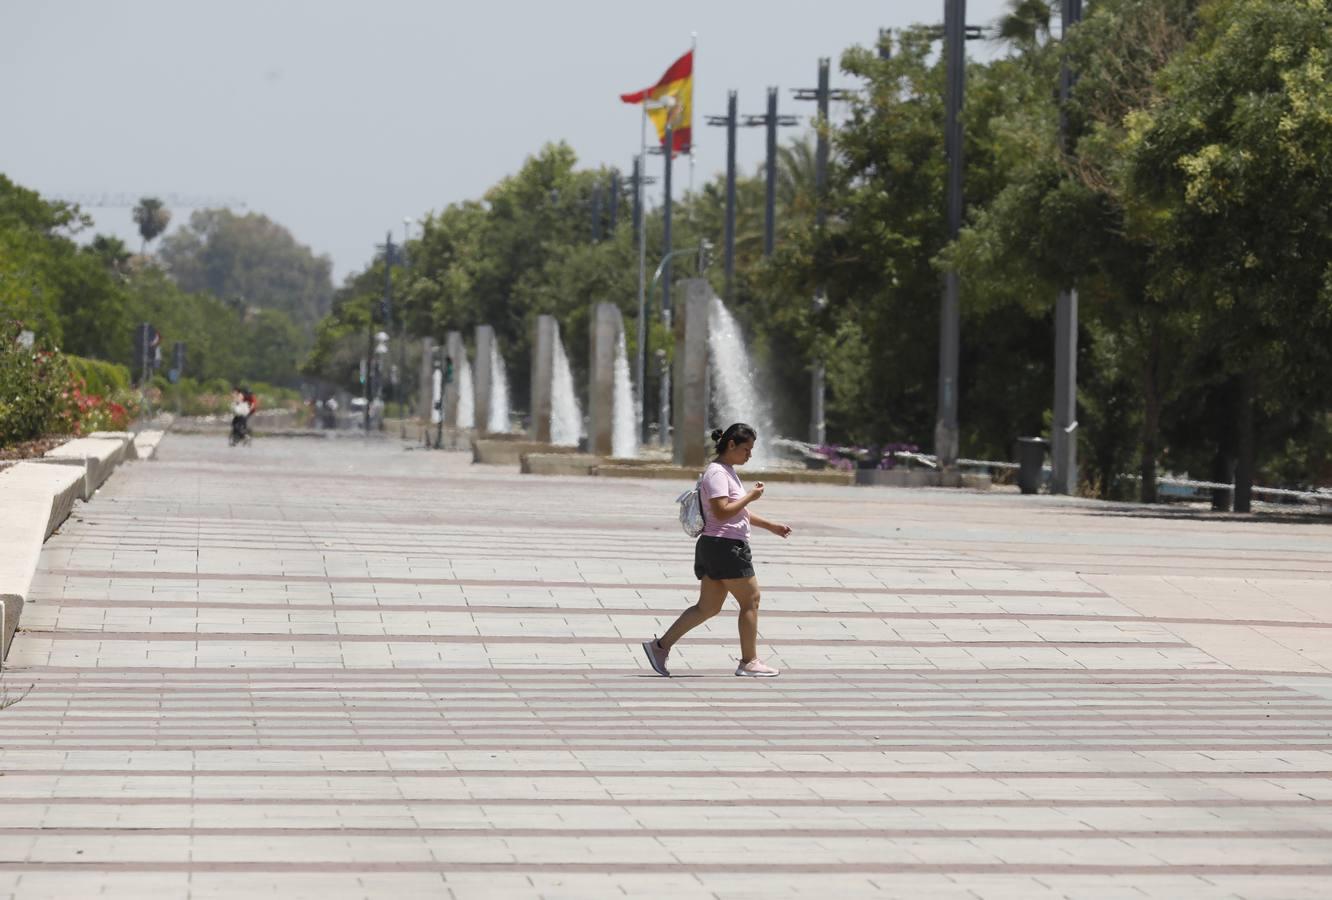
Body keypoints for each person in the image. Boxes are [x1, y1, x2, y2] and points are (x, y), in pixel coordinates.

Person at [642, 423, 793, 678]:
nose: (750, 454)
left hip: (716, 545)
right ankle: (749, 661)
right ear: (731, 445)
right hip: (725, 546)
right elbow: (722, 511)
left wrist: (771, 526)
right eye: (746, 449)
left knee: (707, 607)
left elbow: (737, 511)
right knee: (751, 599)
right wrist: (750, 496)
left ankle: (659, 647)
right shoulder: (717, 473)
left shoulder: (726, 471)